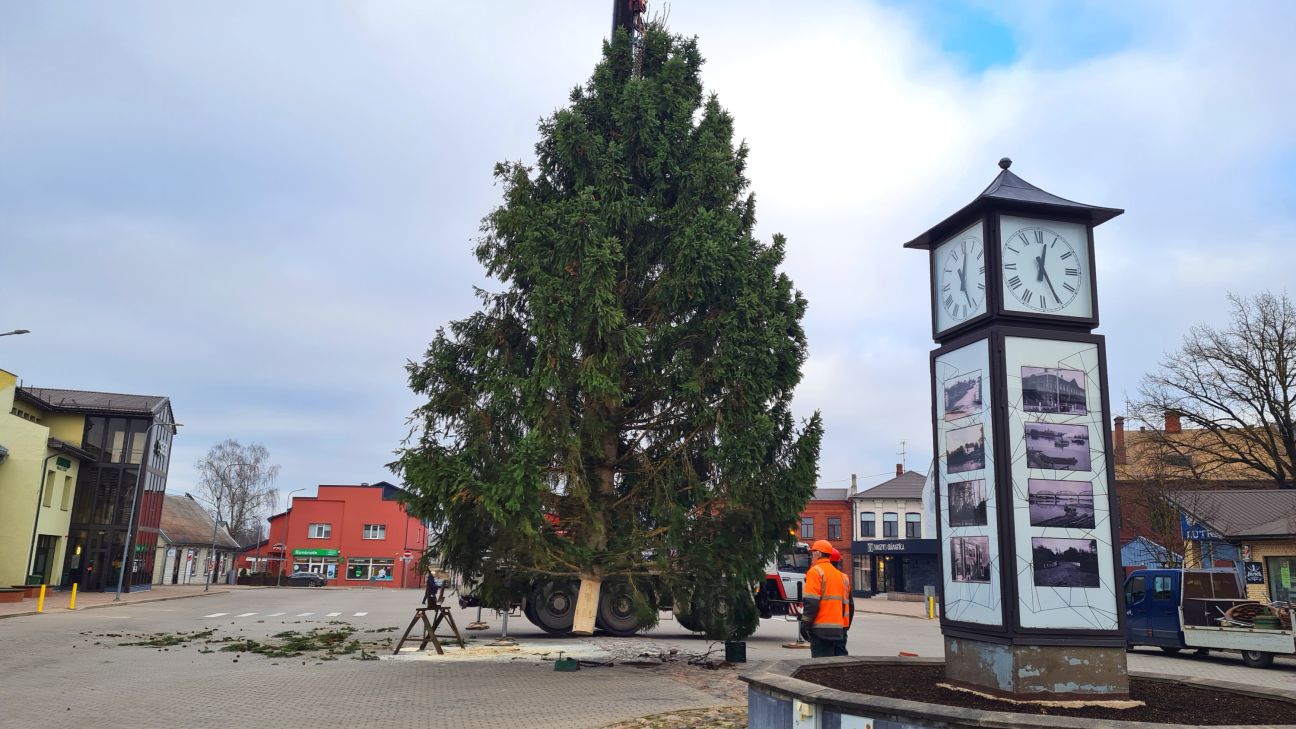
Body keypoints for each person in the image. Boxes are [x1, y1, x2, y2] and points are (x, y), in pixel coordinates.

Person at [800, 539, 852, 658]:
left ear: (817, 554)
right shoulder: (840, 575)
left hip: (820, 631)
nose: (811, 557)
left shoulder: (815, 572)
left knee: (821, 667)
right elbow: (847, 605)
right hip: (838, 630)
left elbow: (811, 603)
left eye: (812, 553)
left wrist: (804, 626)